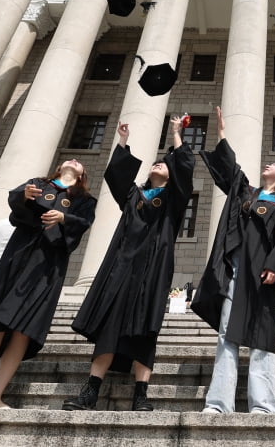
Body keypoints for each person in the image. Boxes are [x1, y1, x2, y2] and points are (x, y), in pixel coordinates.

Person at [64, 116, 195, 412]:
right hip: (122, 267)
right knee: (110, 325)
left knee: (145, 332)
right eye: (157, 163)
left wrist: (175, 133)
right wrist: (122, 141)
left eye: (165, 164)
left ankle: (141, 395)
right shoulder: (135, 194)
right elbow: (117, 176)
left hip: (152, 270)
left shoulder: (174, 199)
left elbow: (185, 167)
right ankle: (90, 392)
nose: (159, 164)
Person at [191, 106, 275, 414]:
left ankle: (263, 405)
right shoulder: (247, 195)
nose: (268, 162)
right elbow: (230, 172)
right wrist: (222, 133)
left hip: (265, 276)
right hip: (238, 271)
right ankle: (218, 403)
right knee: (228, 333)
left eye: (274, 163)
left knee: (262, 337)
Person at [0, 159, 95, 409]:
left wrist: (64, 218)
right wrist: (24, 197)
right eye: (70, 160)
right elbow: (16, 211)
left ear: (82, 175)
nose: (74, 161)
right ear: (59, 168)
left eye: (79, 163)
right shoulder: (37, 184)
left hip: (49, 264)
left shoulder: (85, 200)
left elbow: (83, 224)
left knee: (24, 329)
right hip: (20, 255)